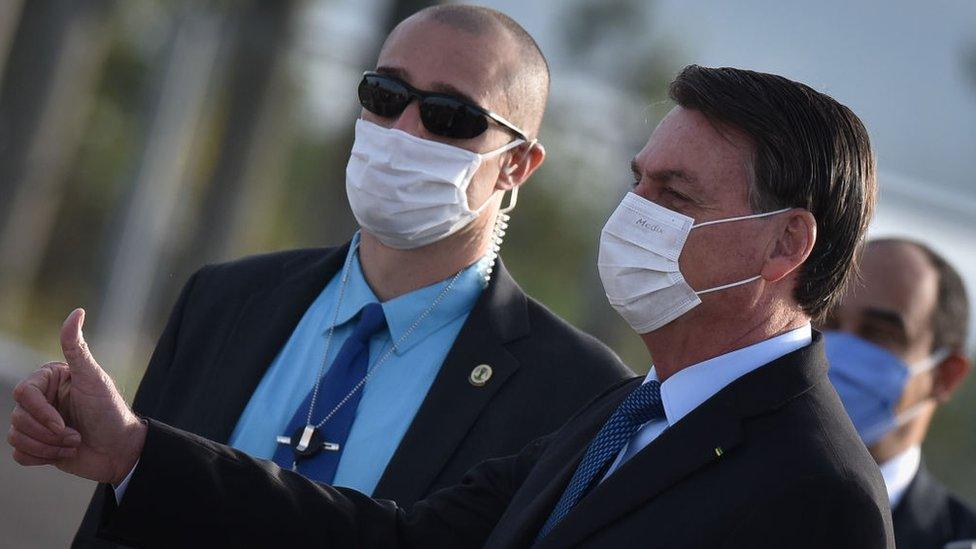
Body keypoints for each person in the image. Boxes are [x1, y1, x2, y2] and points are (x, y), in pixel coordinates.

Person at [10, 65, 894, 548]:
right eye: (638, 183)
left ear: (785, 245)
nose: (635, 216)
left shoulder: (818, 492)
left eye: (676, 194)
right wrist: (134, 452)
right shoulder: (628, 411)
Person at [65, 5, 632, 547]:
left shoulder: (576, 390)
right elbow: (112, 524)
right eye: (384, 96)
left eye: (449, 115)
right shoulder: (224, 299)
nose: (404, 130)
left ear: (516, 164)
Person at [822, 238, 976, 548]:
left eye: (879, 333)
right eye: (828, 322)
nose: (834, 351)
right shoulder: (723, 487)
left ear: (946, 374)